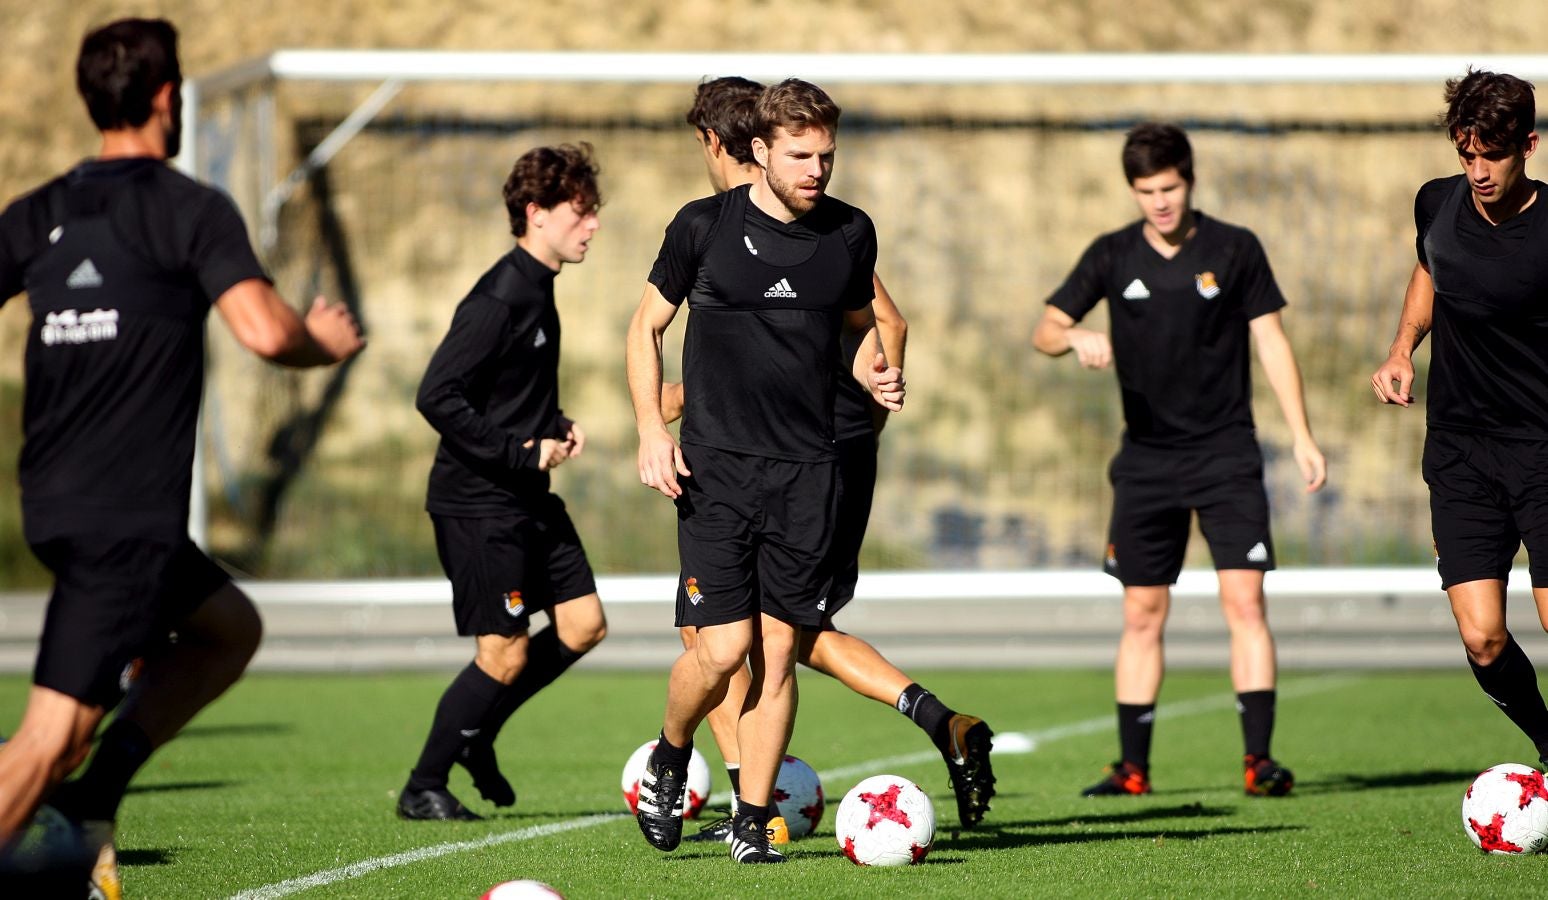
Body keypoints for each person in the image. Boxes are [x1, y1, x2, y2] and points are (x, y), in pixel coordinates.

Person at [0, 16, 363, 894]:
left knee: (226, 629)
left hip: (57, 500)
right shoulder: (188, 209)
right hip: (123, 515)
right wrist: (319, 339)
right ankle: (69, 803)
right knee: (48, 739)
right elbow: (262, 331)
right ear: (170, 99)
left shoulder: (40, 211)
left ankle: (95, 802)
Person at [670, 77, 994, 845]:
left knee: (740, 634)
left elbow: (879, 319)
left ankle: (753, 809)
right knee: (775, 630)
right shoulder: (758, 229)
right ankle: (930, 724)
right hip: (820, 443)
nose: (812, 167)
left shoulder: (811, 230)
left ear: (721, 143)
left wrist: (863, 397)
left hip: (804, 449)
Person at [626, 79, 905, 864]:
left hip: (809, 474)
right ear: (759, 152)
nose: (818, 170)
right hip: (716, 473)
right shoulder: (702, 228)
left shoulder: (851, 234)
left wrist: (874, 373)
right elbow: (642, 330)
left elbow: (856, 330)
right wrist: (653, 430)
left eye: (827, 155)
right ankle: (672, 751)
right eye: (801, 156)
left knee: (779, 653)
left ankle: (753, 822)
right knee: (719, 652)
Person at [1034, 122, 1325, 798]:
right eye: (1146, 192)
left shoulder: (1235, 247)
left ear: (1189, 181)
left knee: (1244, 600)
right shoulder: (1111, 255)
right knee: (1142, 612)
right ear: (1132, 192)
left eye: (1169, 188)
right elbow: (1043, 329)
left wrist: (1303, 435)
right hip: (1146, 461)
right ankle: (1131, 767)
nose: (1159, 203)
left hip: (1226, 453)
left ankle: (1259, 762)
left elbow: (1272, 343)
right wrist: (1075, 335)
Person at [398, 144, 608, 820]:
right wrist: (522, 451)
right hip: (479, 504)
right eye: (581, 212)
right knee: (504, 653)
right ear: (536, 214)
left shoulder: (539, 286)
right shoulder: (499, 296)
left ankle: (476, 732)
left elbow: (506, 393)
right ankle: (424, 785)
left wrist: (555, 425)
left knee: (583, 624)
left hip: (525, 496)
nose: (593, 225)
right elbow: (438, 395)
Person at [1372, 69, 1548, 769]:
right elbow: (1429, 269)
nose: (1478, 170)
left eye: (1493, 156)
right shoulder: (1436, 203)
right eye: (1466, 153)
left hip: (1543, 448)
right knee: (1483, 639)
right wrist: (1401, 350)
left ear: (1527, 146)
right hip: (1461, 452)